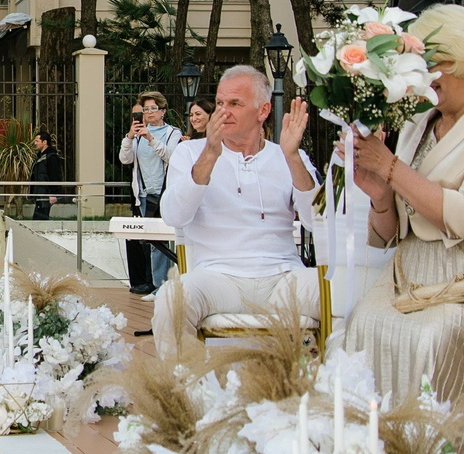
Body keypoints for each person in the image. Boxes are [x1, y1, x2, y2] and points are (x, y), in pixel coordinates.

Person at [346, 6, 464, 448]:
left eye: (427, 65)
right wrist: (379, 192)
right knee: (359, 327)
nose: (420, 78)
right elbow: (392, 232)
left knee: (432, 337)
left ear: (459, 62)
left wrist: (392, 167)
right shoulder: (420, 121)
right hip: (412, 275)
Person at [154, 65, 316, 350]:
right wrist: (210, 155)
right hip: (218, 278)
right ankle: (181, 392)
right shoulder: (190, 152)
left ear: (263, 110)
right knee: (172, 298)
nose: (223, 112)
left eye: (234, 104)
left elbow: (317, 220)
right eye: (219, 103)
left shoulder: (290, 155)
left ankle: (336, 386)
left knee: (341, 291)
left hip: (283, 278)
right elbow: (174, 215)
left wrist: (291, 156)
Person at [119, 91, 182, 296]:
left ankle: (162, 287)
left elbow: (171, 157)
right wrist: (130, 137)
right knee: (150, 241)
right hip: (144, 195)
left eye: (153, 109)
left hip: (164, 193)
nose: (149, 113)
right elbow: (125, 159)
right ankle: (155, 285)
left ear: (163, 111)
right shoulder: (136, 136)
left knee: (161, 242)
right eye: (145, 110)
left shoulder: (173, 133)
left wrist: (151, 138)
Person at [30, 130, 65, 219]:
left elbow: (55, 176)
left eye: (37, 141)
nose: (35, 143)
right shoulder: (40, 157)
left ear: (44, 142)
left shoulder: (51, 157)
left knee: (40, 219)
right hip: (39, 194)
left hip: (45, 195)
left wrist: (53, 193)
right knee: (38, 218)